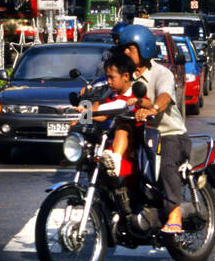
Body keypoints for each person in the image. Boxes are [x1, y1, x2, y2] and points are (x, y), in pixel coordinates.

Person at [117, 23, 189, 234]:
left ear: (144, 47)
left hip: (169, 133)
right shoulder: (126, 76)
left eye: (130, 48)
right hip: (141, 134)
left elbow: (165, 96)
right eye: (124, 48)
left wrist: (153, 109)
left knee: (167, 164)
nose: (125, 52)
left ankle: (174, 213)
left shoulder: (161, 73)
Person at [81, 48, 137, 176]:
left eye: (112, 78)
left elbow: (108, 112)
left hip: (132, 139)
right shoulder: (110, 93)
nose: (109, 81)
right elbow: (100, 112)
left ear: (126, 76)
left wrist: (87, 113)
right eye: (107, 77)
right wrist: (81, 118)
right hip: (109, 137)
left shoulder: (131, 96)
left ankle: (116, 161)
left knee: (122, 128)